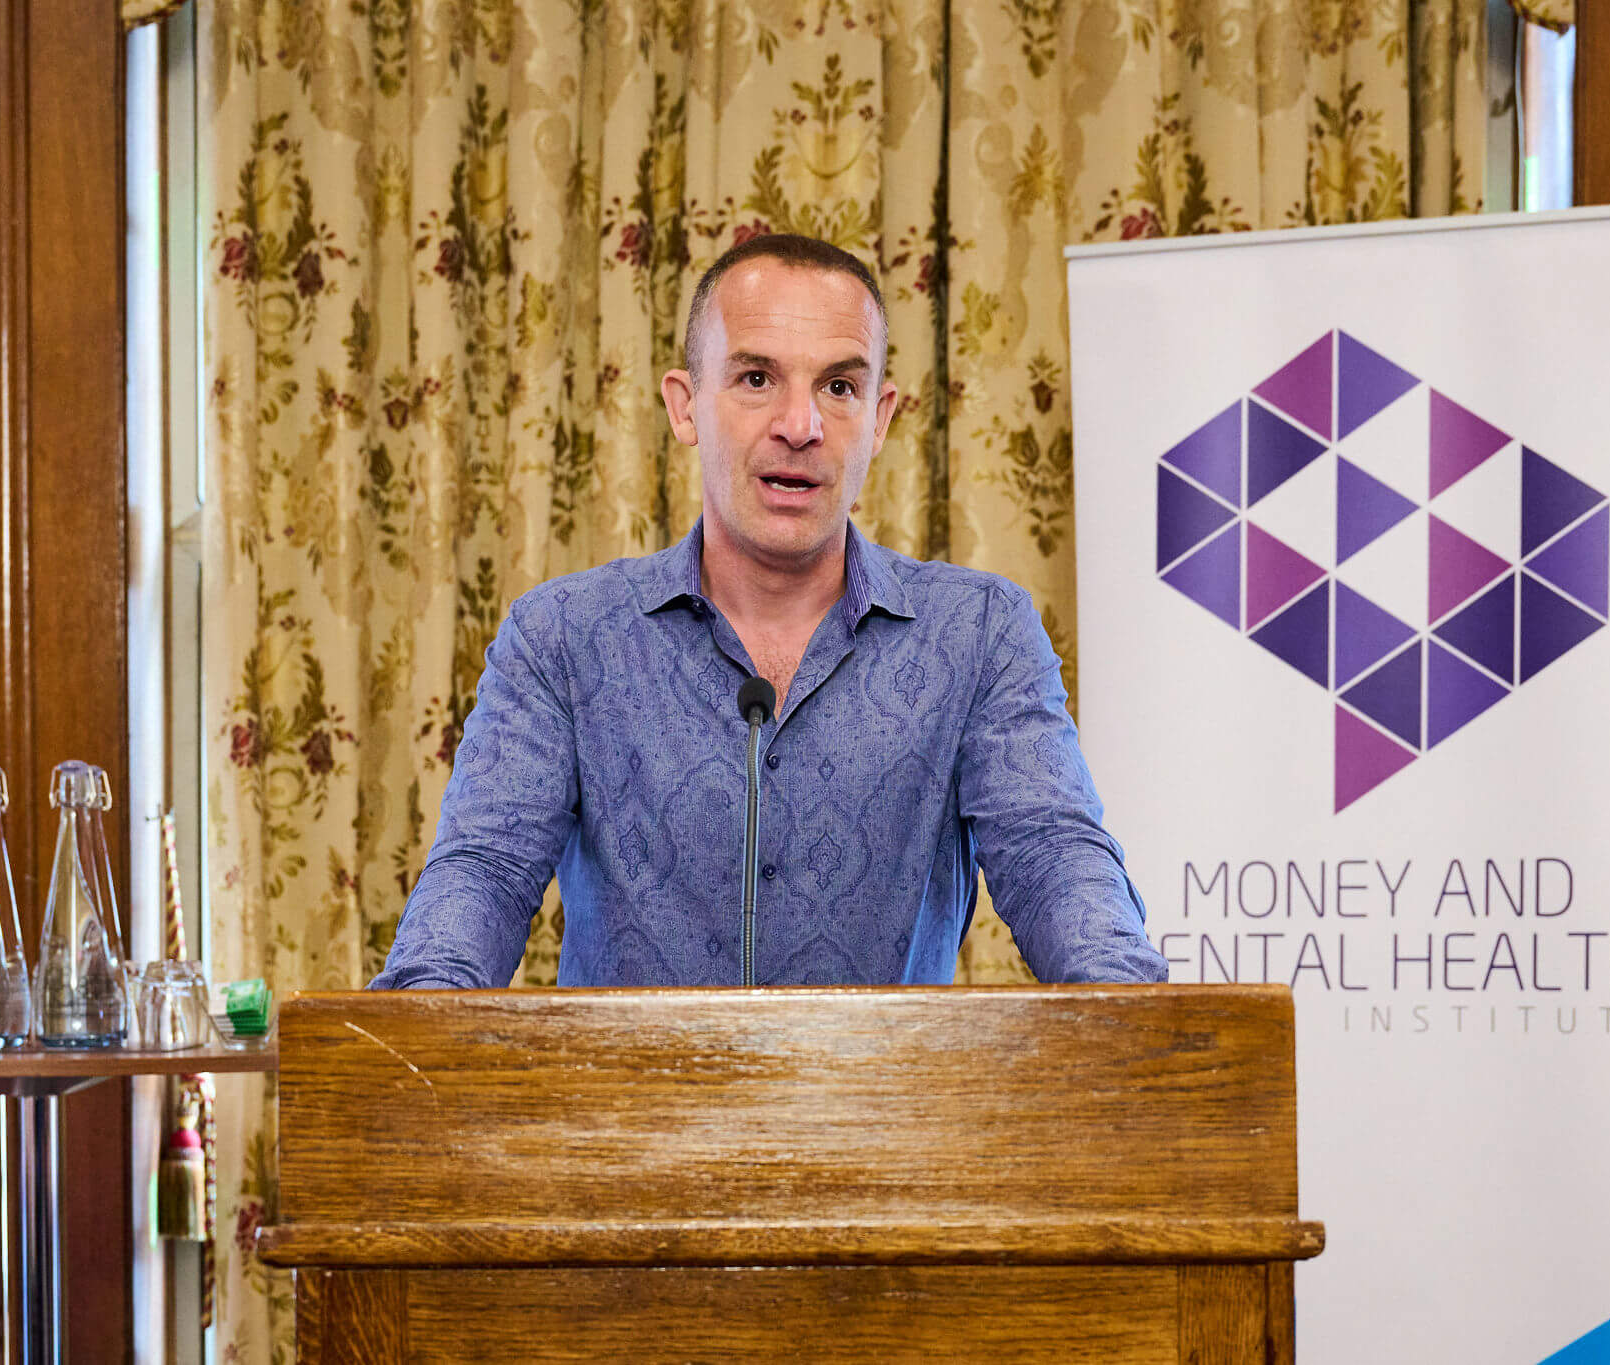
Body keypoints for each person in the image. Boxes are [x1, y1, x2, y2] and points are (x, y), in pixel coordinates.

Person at [369, 234, 1167, 988]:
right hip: (632, 1129)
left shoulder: (981, 632)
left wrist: (1132, 1017)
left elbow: (1053, 855)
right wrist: (414, 1026)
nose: (800, 426)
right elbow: (485, 870)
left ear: (881, 418)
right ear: (686, 406)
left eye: (839, 386)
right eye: (756, 379)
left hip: (886, 1128)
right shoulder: (562, 639)